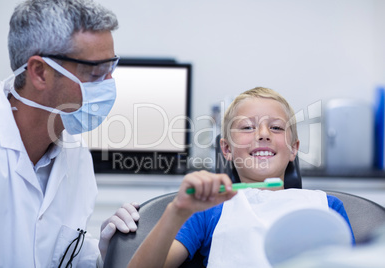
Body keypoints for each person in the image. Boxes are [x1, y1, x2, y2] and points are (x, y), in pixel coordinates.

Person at [0, 0, 140, 267]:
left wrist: (103, 251)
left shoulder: (75, 156)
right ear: (40, 73)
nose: (109, 85)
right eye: (95, 72)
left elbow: (64, 257)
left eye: (110, 69)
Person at [128, 87, 355, 267]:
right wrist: (176, 212)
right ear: (226, 149)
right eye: (247, 127)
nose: (263, 134)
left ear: (294, 149)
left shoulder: (327, 207)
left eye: (276, 127)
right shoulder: (207, 210)